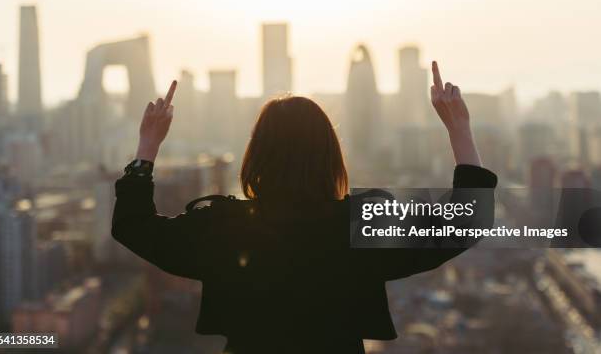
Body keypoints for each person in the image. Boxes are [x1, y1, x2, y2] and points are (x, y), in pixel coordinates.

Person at [112, 61, 497, 353]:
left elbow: (133, 226)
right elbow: (464, 223)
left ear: (256, 156)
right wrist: (459, 130)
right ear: (330, 155)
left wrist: (147, 148)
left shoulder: (225, 227)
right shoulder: (358, 226)